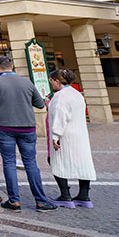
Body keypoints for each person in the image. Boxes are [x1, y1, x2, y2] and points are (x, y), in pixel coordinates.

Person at [0, 55, 57, 212]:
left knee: (9, 162)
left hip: (5, 127)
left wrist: (0, 108)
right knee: (31, 163)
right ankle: (41, 201)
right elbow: (39, 103)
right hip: (27, 127)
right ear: (12, 67)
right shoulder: (26, 82)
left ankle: (14, 201)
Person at [47, 69, 97, 208]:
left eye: (51, 80)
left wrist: (55, 136)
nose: (50, 83)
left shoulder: (60, 96)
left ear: (57, 81)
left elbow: (60, 117)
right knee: (83, 163)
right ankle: (84, 195)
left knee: (57, 162)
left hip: (66, 135)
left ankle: (65, 195)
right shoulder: (77, 94)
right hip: (80, 134)